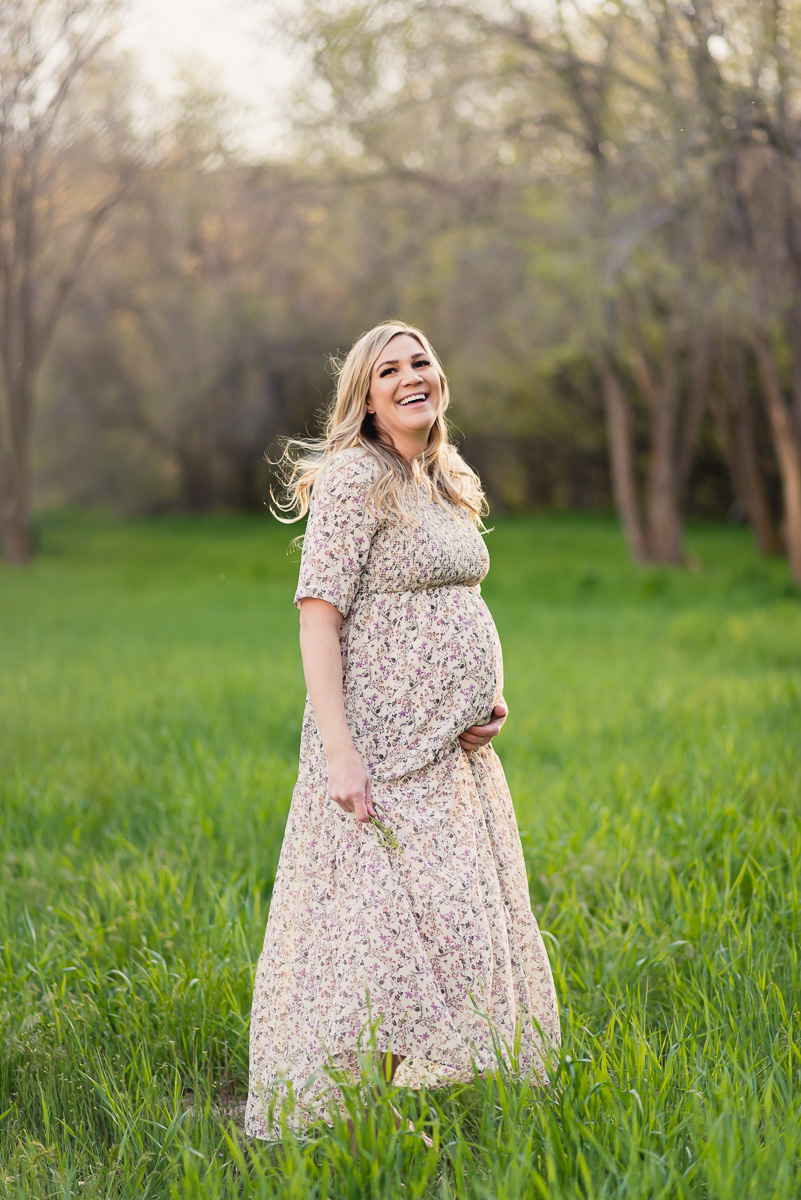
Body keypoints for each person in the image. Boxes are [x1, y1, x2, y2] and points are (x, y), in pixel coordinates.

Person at [245, 321, 560, 1138]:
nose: (411, 375)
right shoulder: (356, 478)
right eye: (388, 370)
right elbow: (318, 617)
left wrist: (487, 699)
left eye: (420, 361)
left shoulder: (442, 477)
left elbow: (460, 601)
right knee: (380, 934)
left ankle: (384, 1112)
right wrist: (339, 752)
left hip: (446, 753)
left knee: (444, 924)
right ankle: (354, 1125)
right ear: (366, 399)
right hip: (378, 752)